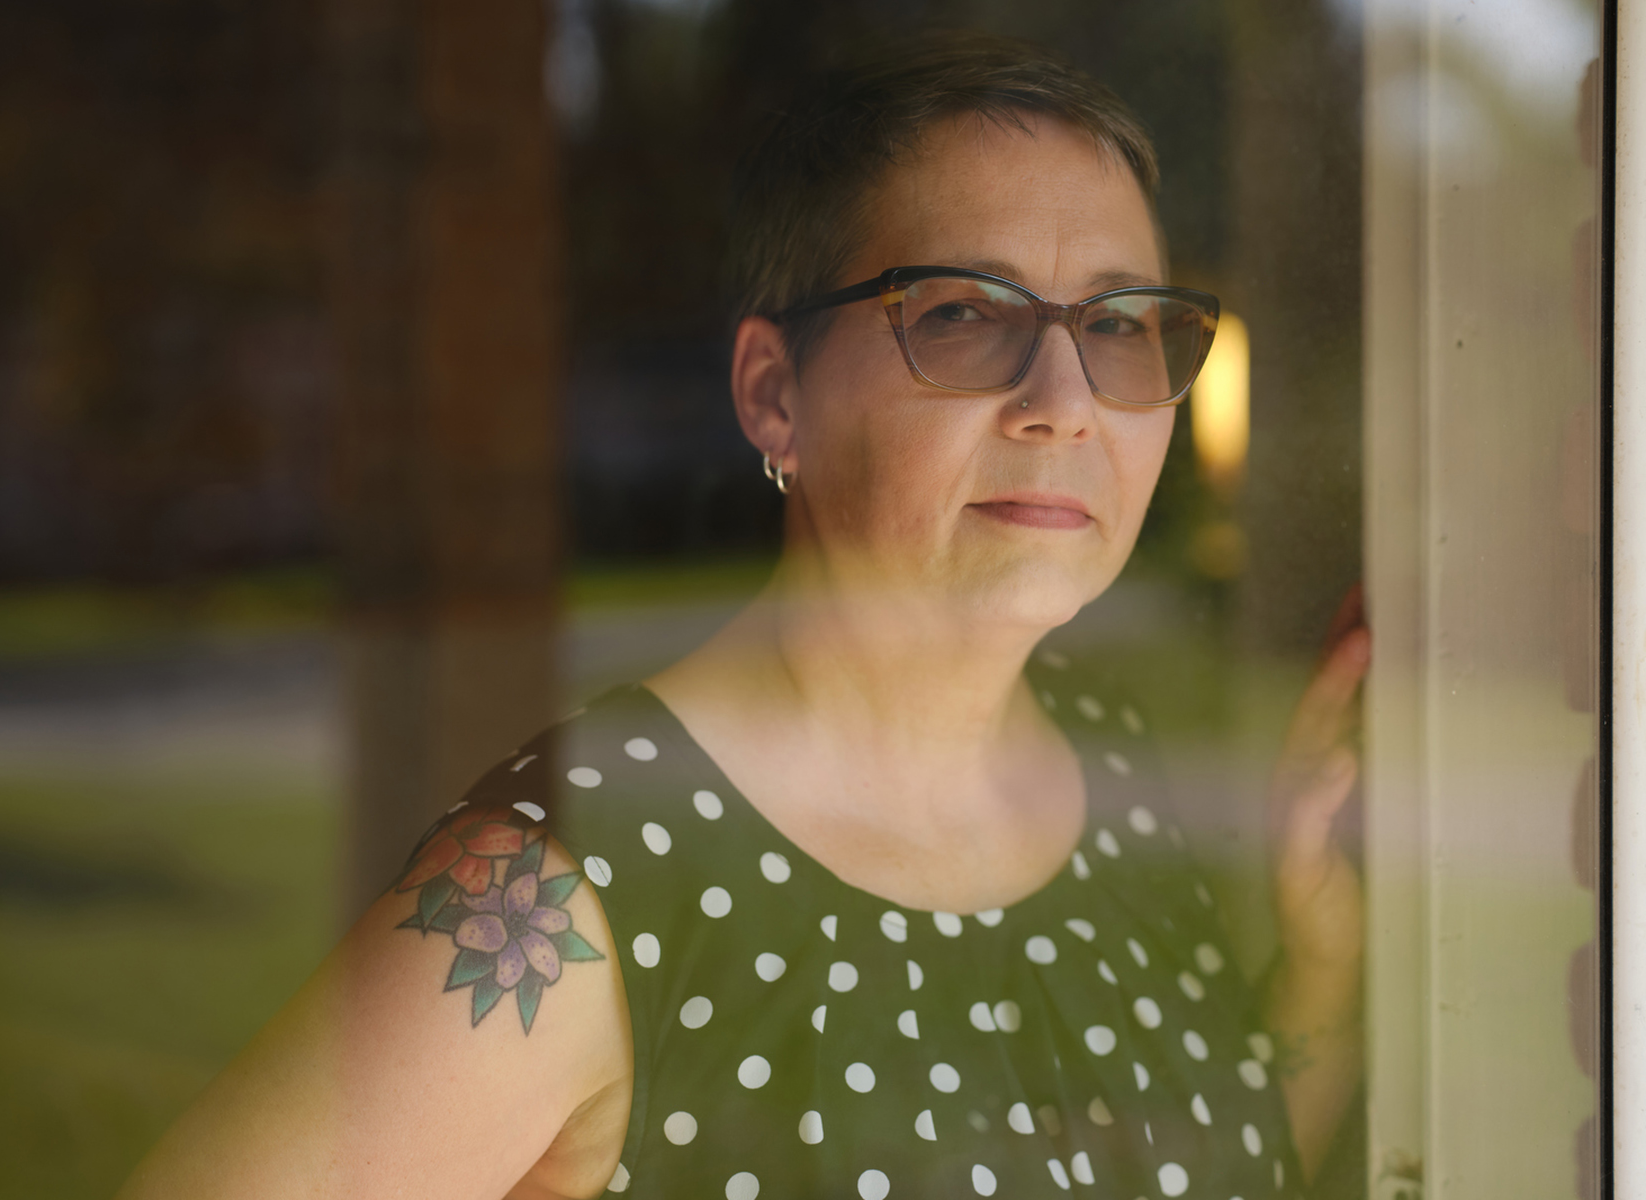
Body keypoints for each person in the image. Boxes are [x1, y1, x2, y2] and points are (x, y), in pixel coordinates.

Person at [118, 32, 1367, 1200]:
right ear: (776, 397)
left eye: (1117, 325)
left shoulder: (1117, 767)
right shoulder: (570, 895)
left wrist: (1320, 968)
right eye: (962, 316)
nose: (1063, 400)